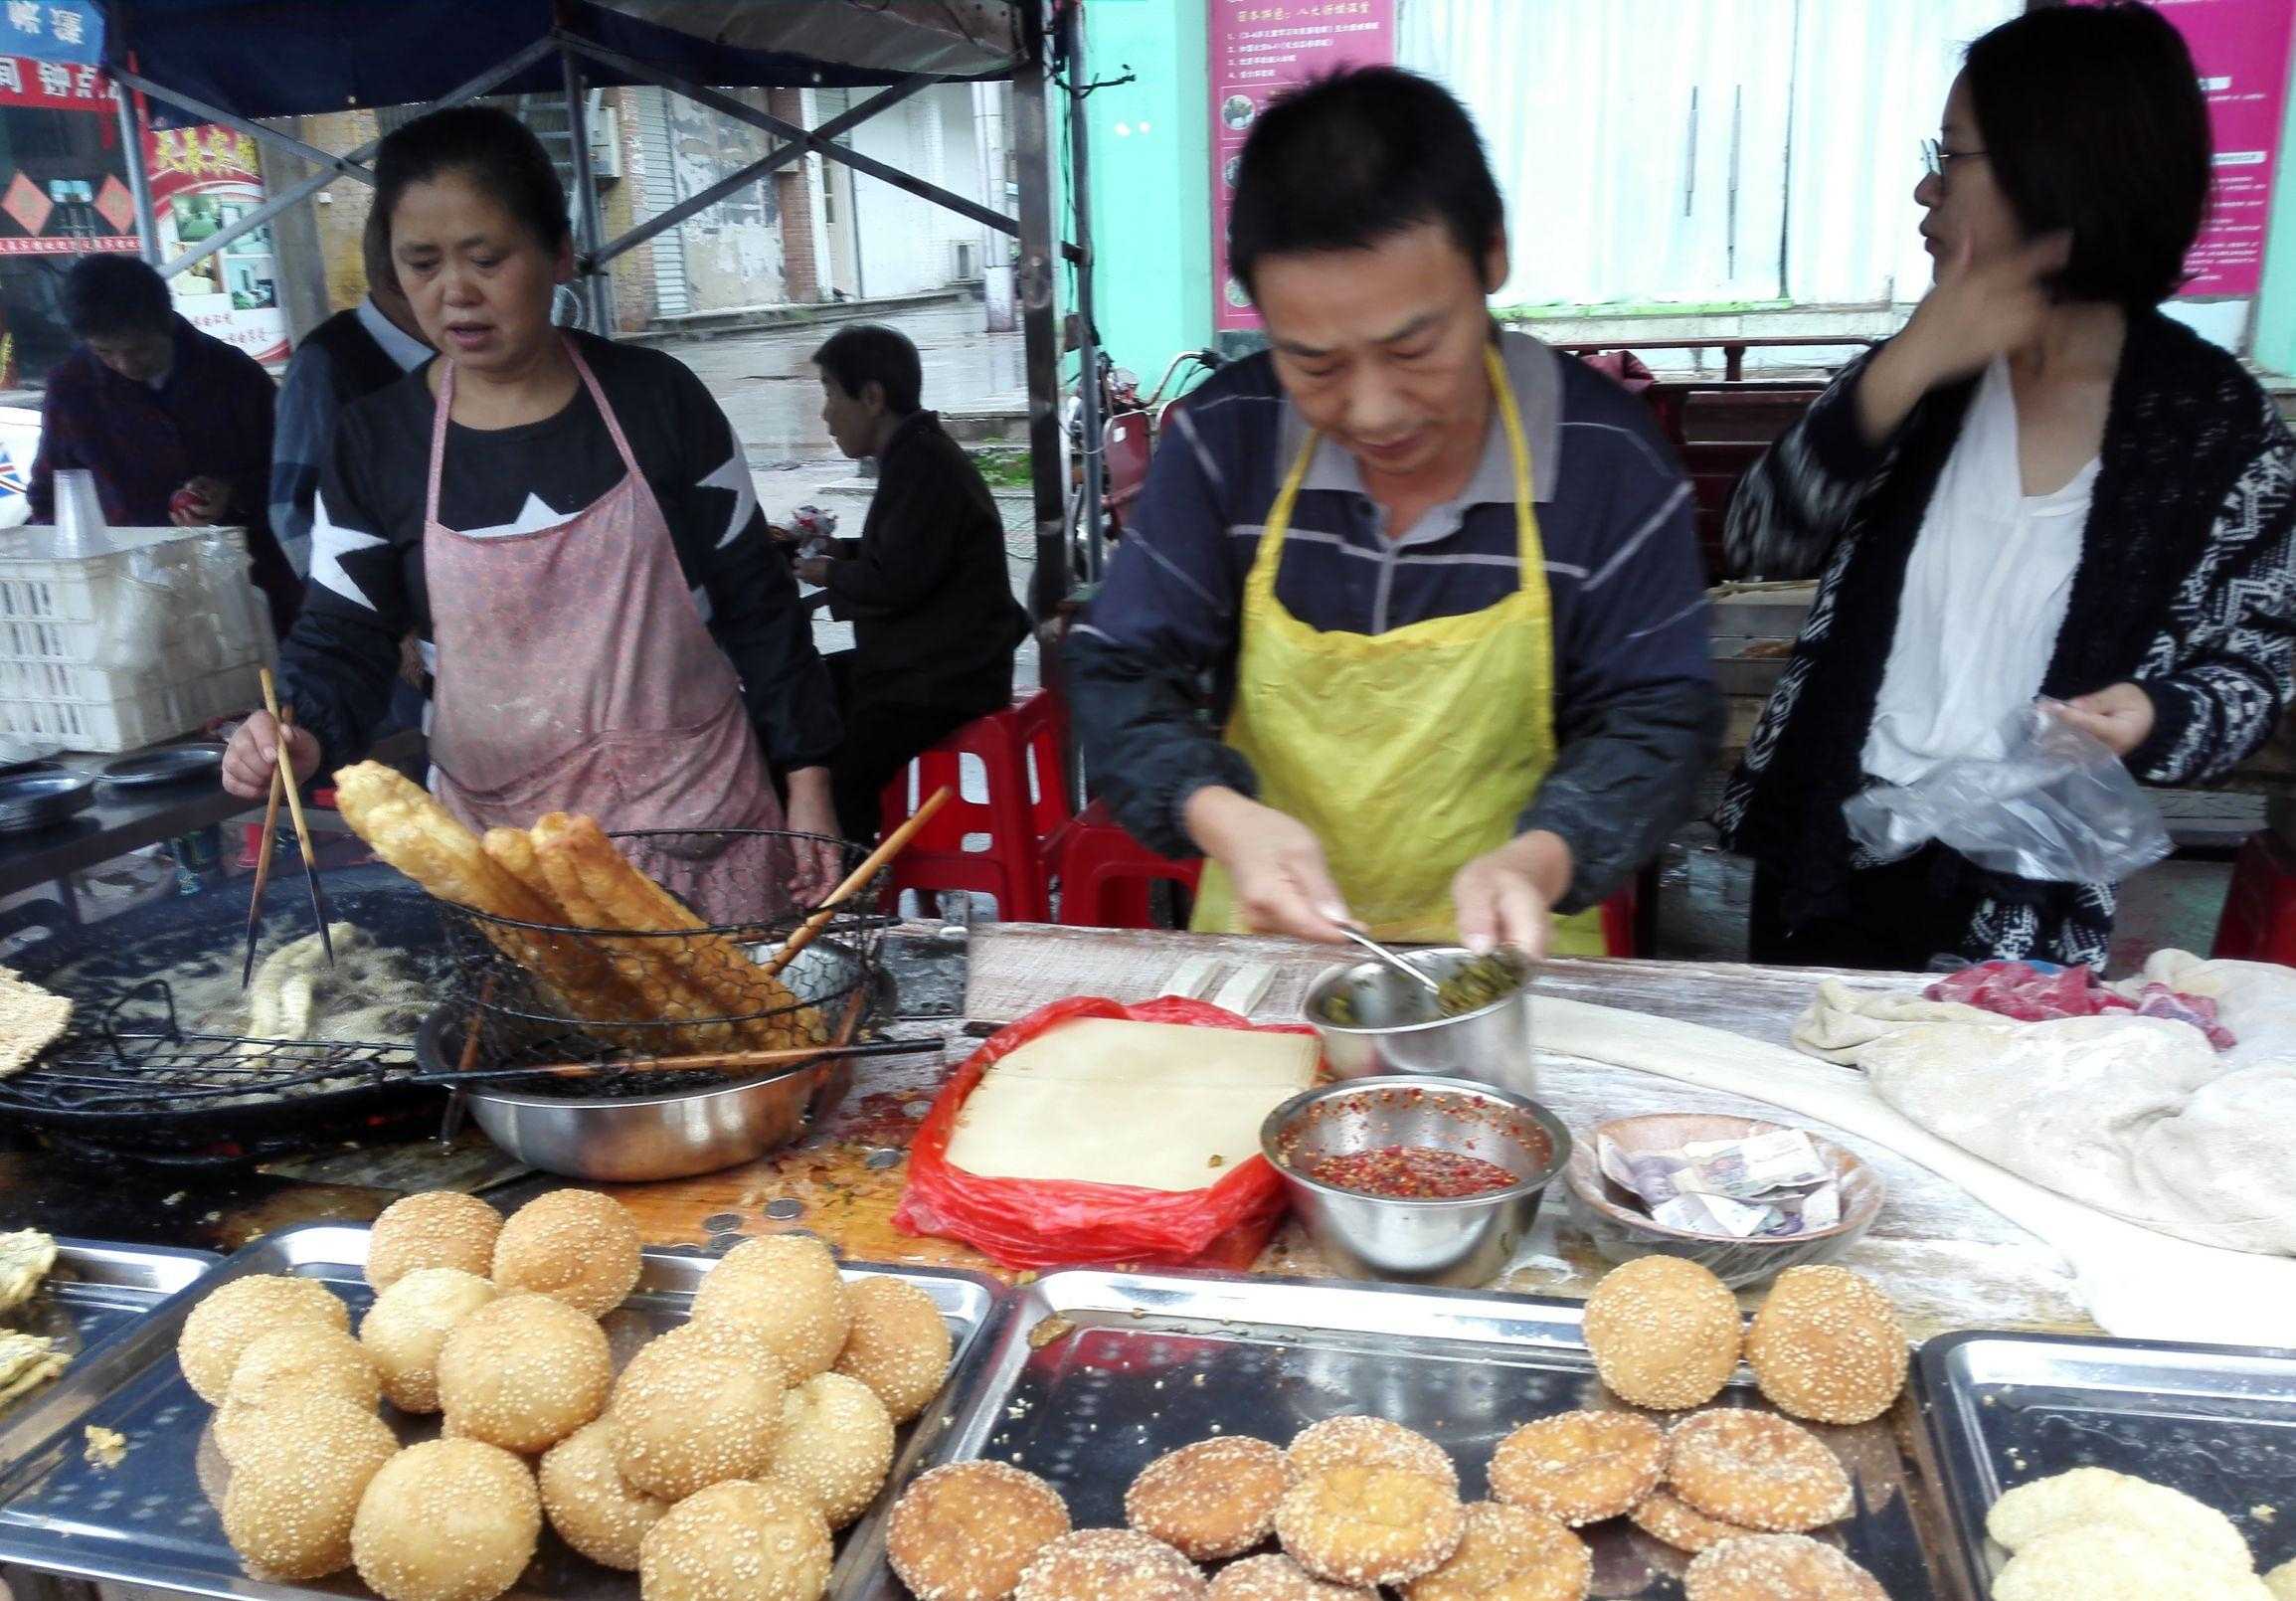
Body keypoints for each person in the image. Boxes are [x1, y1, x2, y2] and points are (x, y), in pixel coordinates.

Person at [1067, 68, 1719, 956]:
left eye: (1414, 347)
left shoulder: (1607, 461)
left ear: (1490, 253)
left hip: (1514, 968)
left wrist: (1542, 855)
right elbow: (1119, 674)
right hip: (1271, 957)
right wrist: (1221, 816)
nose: (1372, 411)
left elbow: (1658, 713)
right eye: (1315, 364)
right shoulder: (1225, 442)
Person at [1717, 2, 2296, 972]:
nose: (1921, 188)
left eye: (1951, 158)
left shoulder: (2215, 430)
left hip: (2022, 884)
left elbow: (2251, 672)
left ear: (2054, 176)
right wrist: (1898, 371)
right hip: (1829, 847)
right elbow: (1756, 539)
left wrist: (2154, 714)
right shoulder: (1916, 374)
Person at [220, 106, 840, 917]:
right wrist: (295, 734)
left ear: (557, 254)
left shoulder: (657, 400)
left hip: (699, 832)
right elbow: (344, 634)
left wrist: (809, 783)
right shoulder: (375, 440)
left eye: (486, 258)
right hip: (505, 866)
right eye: (422, 263)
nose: (455, 293)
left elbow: (758, 602)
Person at [795, 323, 1030, 841]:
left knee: (829, 771)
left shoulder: (922, 465)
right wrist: (838, 551)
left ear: (873, 397)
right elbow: (910, 557)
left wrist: (823, 570)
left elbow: (893, 581)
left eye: (832, 394)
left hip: (941, 681)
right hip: (926, 666)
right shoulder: (916, 456)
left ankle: (846, 890)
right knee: (803, 696)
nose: (826, 413)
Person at [28, 253, 299, 634]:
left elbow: (295, 478)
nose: (124, 364)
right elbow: (48, 496)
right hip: (131, 605)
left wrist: (233, 494)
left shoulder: (234, 377)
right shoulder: (72, 390)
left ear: (166, 324)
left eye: (140, 349)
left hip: (245, 594)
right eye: (105, 352)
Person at [268, 208, 433, 578]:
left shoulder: (454, 358)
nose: (460, 290)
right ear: (395, 280)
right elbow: (292, 514)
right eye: (431, 267)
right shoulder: (323, 366)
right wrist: (364, 614)